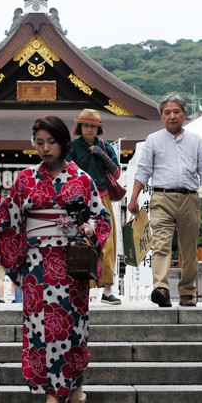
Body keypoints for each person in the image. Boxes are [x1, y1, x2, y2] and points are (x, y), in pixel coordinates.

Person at [0, 115, 111, 403]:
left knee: (72, 327)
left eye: (51, 142)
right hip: (35, 266)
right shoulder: (25, 179)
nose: (44, 148)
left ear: (63, 143)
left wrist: (87, 229)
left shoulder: (81, 179)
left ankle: (73, 388)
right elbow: (8, 222)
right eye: (39, 142)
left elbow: (102, 219)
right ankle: (54, 394)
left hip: (71, 263)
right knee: (40, 329)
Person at [127, 93, 202, 308]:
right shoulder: (153, 140)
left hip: (189, 198)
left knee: (189, 248)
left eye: (177, 111)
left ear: (185, 114)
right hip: (161, 197)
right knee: (160, 245)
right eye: (167, 112)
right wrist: (133, 198)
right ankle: (162, 289)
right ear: (161, 117)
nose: (172, 116)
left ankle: (187, 292)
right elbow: (143, 170)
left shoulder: (196, 140)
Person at [70, 108, 123, 305]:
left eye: (93, 126)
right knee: (82, 244)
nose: (89, 129)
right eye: (86, 125)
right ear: (80, 127)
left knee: (108, 244)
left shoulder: (105, 147)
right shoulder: (72, 147)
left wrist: (102, 155)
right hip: (80, 201)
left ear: (98, 128)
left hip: (103, 198)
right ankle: (83, 289)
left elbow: (116, 174)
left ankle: (107, 290)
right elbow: (65, 171)